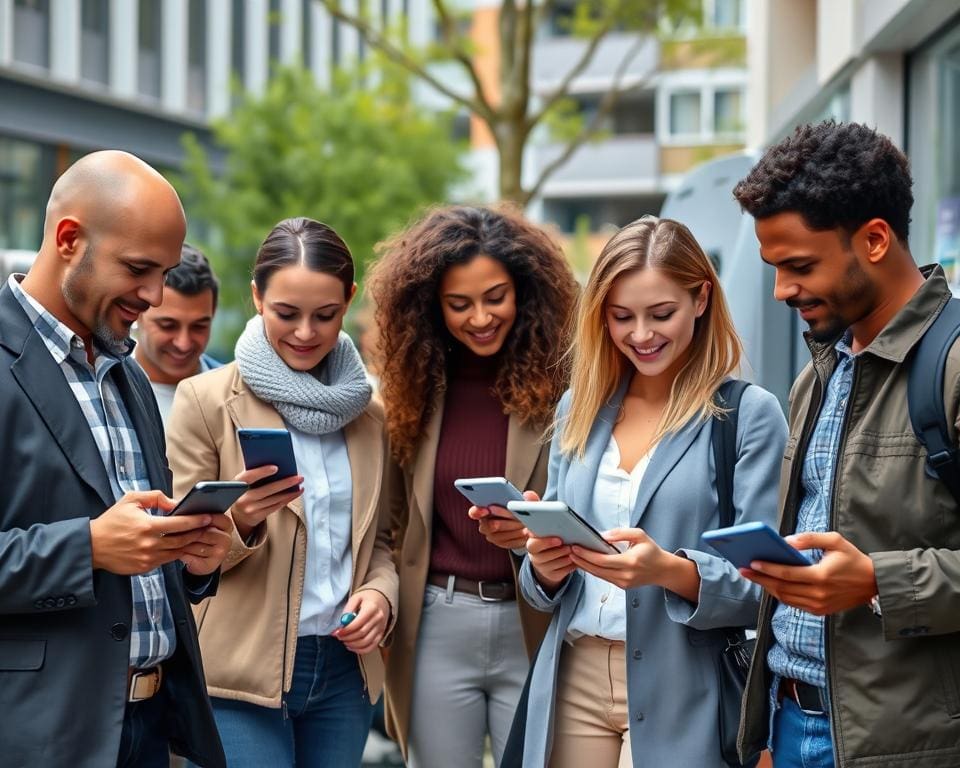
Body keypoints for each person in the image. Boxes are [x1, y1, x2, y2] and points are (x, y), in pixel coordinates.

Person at [516, 215, 787, 768]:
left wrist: (668, 570)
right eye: (621, 317)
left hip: (685, 684)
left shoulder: (748, 415)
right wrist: (544, 563)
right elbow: (540, 587)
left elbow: (767, 588)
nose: (641, 334)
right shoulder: (580, 408)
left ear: (701, 298)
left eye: (661, 314)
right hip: (576, 672)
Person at [732, 121, 960, 768]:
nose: (781, 291)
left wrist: (875, 582)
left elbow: (865, 580)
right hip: (792, 723)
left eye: (799, 266)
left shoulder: (954, 366)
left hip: (908, 744)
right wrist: (772, 732)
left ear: (876, 239)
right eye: (775, 268)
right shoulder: (818, 376)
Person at [0, 150, 231, 768]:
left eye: (165, 272)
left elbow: (138, 556)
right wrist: (90, 547)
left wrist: (191, 558)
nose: (154, 296)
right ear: (69, 239)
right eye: (139, 269)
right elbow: (101, 545)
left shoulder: (126, 373)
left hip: (151, 729)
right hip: (40, 735)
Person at [166, 216, 399, 768]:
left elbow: (383, 542)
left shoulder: (372, 417)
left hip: (344, 671)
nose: (304, 333)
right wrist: (240, 519)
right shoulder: (204, 401)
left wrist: (381, 597)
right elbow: (177, 548)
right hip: (240, 674)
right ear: (256, 297)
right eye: (285, 314)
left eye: (326, 315)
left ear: (350, 300)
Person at [368, 205, 578, 767]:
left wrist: (531, 534)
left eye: (495, 297)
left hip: (536, 621)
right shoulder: (411, 392)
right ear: (432, 307)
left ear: (525, 294)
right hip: (438, 623)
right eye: (459, 304)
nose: (480, 318)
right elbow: (392, 526)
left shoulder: (570, 391)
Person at [134, 243, 221, 425]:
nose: (184, 343)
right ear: (137, 313)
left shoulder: (236, 394)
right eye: (168, 326)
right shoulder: (105, 390)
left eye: (199, 326)